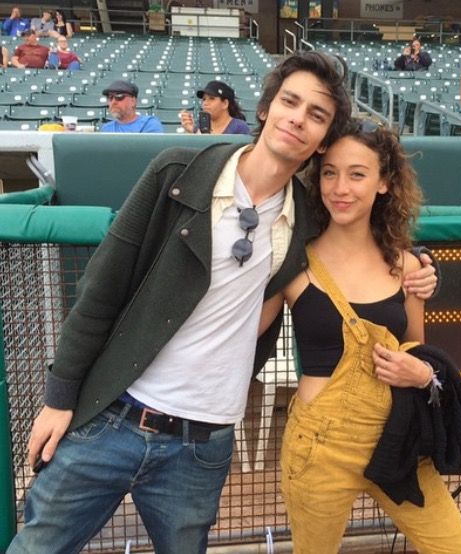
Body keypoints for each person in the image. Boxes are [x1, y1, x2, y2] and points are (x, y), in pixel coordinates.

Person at [6, 51, 436, 554]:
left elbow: (365, 244)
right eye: (290, 101)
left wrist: (418, 263)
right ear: (266, 107)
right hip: (110, 417)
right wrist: (60, 397)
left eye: (316, 115)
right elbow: (100, 290)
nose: (298, 117)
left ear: (321, 140)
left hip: (202, 446)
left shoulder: (310, 223)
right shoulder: (176, 172)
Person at [258, 120, 461, 553]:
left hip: (399, 439)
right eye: (329, 172)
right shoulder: (292, 262)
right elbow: (240, 333)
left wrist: (422, 374)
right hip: (319, 448)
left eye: (357, 174)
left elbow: (417, 345)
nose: (340, 187)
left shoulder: (408, 266)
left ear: (383, 183)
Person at [180, 80, 251, 135]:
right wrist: (191, 130)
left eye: (211, 98)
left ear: (225, 104)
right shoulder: (200, 126)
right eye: (204, 99)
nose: (205, 103)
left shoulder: (240, 128)